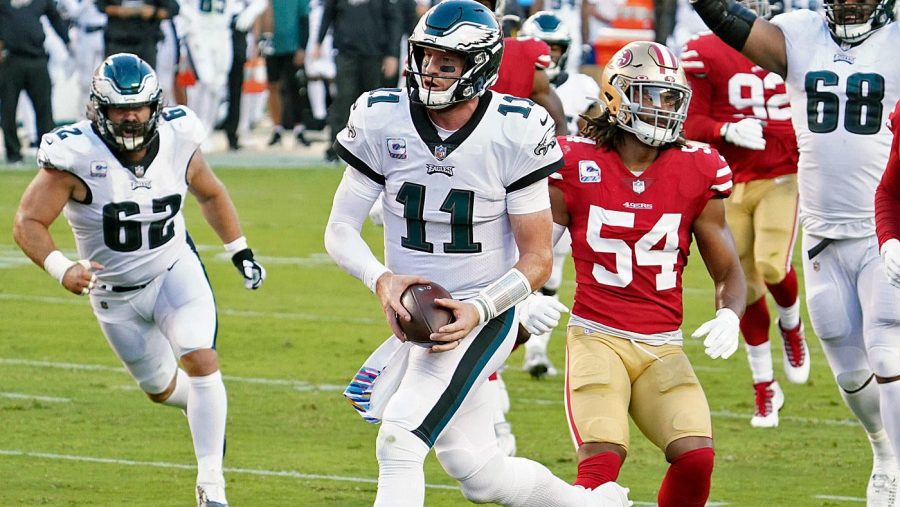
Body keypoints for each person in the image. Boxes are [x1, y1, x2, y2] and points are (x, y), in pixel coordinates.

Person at [323, 2, 630, 505]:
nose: (430, 71)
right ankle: (590, 502)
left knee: (399, 439)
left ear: (481, 65)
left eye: (448, 62)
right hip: (418, 311)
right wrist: (381, 278)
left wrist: (479, 308)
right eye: (425, 57)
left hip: (483, 309)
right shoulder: (383, 117)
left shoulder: (513, 129)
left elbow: (537, 261)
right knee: (477, 470)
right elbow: (338, 229)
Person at [12, 54, 266, 507]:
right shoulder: (74, 155)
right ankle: (205, 408)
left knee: (201, 357)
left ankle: (212, 487)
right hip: (112, 296)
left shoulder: (179, 137)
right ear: (98, 110)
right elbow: (28, 221)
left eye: (139, 108)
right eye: (118, 109)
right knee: (162, 390)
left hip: (173, 270)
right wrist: (61, 267)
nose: (131, 117)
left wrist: (239, 249)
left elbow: (210, 192)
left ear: (155, 106)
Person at [690, 0, 900, 500]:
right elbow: (729, 22)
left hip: (883, 229)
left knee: (887, 350)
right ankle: (883, 452)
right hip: (822, 228)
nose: (848, 3)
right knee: (850, 372)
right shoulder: (800, 33)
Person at [550, 41, 745, 507]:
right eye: (651, 96)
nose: (662, 109)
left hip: (663, 345)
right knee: (601, 462)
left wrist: (730, 315)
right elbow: (532, 246)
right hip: (597, 336)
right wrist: (526, 292)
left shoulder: (700, 167)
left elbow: (729, 269)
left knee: (696, 457)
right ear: (617, 96)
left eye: (670, 98)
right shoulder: (573, 160)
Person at [680, 0, 806, 429]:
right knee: (743, 286)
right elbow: (689, 120)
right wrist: (724, 129)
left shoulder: (795, 40)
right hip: (728, 183)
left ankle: (791, 324)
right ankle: (764, 386)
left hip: (781, 175)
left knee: (773, 264)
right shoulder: (704, 49)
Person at [517, 9, 601, 379]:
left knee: (550, 275)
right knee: (515, 269)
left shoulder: (581, 87)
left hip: (562, 192)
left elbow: (600, 131)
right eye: (542, 48)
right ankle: (499, 347)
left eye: (555, 48)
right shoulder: (511, 82)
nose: (548, 55)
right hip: (517, 187)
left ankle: (535, 351)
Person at [312, 0, 400, 161]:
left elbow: (393, 19)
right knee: (344, 98)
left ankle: (373, 150)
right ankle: (337, 147)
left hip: (374, 53)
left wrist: (392, 54)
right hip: (346, 52)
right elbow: (328, 13)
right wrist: (318, 41)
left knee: (374, 104)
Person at [0, 0, 71, 164]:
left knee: (44, 109)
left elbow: (55, 17)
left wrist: (66, 40)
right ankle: (13, 154)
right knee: (8, 109)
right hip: (10, 58)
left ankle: (48, 152)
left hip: (37, 57)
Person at [98, 0, 179, 69]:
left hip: (146, 42)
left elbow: (173, 9)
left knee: (145, 82)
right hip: (117, 42)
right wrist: (119, 11)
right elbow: (101, 5)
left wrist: (153, 12)